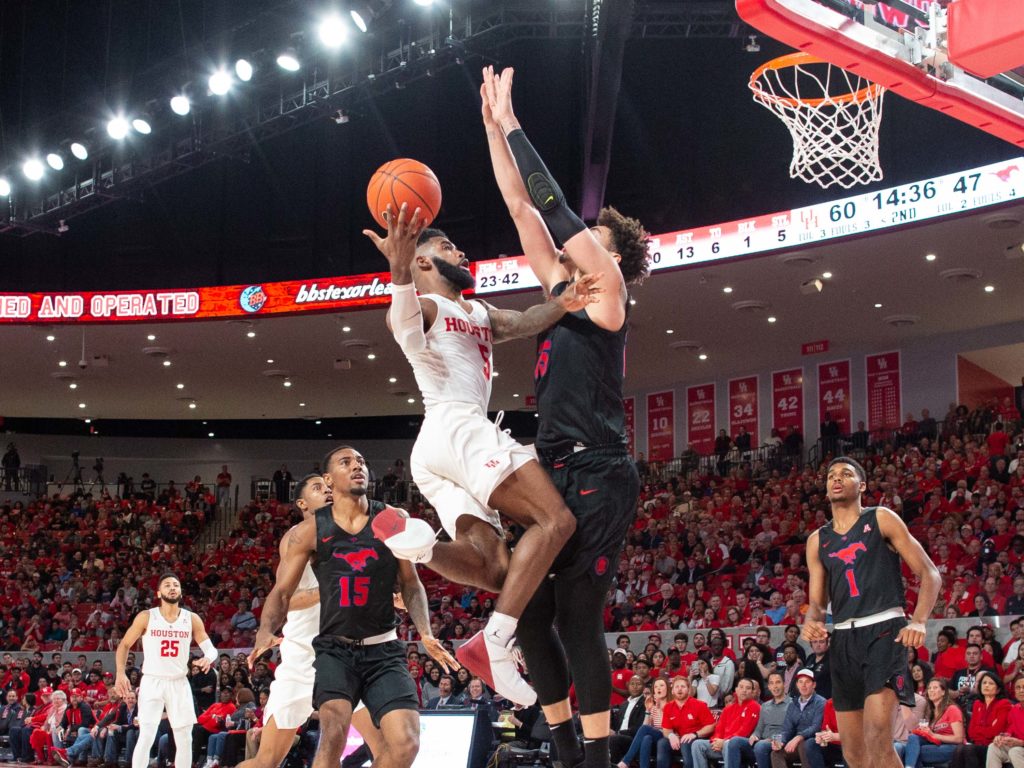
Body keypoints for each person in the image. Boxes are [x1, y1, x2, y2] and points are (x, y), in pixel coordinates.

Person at [363, 186, 600, 705]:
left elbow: (525, 321)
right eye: (450, 249)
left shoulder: (477, 312)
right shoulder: (422, 304)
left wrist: (565, 300)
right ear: (424, 260)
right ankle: (494, 641)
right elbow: (399, 325)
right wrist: (398, 273)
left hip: (434, 451)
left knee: (494, 569)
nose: (462, 254)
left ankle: (418, 544)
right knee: (556, 521)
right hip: (458, 425)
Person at [480, 64, 649, 768]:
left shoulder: (609, 294)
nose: (579, 246)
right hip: (555, 468)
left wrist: (518, 127)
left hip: (601, 469)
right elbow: (524, 212)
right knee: (535, 616)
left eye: (593, 241)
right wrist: (492, 130)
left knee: (578, 615)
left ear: (611, 258)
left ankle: (598, 759)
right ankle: (563, 747)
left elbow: (553, 213)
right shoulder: (568, 292)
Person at [250, 445, 458, 768]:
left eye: (361, 461)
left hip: (383, 650)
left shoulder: (391, 518)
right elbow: (281, 593)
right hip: (334, 651)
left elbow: (411, 582)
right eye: (346, 462)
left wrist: (426, 633)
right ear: (329, 480)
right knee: (331, 739)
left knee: (405, 744)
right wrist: (265, 630)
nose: (357, 466)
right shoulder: (308, 532)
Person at [238, 473, 387, 768]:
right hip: (302, 657)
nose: (328, 491)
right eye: (319, 488)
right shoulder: (296, 538)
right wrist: (331, 587)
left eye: (329, 486)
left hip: (346, 656)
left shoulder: (353, 534)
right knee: (266, 760)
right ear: (302, 503)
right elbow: (286, 599)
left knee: (386, 748)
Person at [803, 457, 941, 768]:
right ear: (826, 488)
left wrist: (918, 621)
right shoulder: (817, 540)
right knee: (853, 752)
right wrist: (811, 623)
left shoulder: (882, 518)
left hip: (884, 632)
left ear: (861, 485)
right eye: (831, 475)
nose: (837, 479)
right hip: (843, 641)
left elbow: (930, 574)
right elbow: (816, 605)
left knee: (878, 738)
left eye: (846, 474)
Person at [113, 574, 219, 768]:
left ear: (181, 591)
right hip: (152, 680)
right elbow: (124, 645)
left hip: (179, 682)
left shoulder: (191, 618)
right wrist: (120, 673)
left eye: (176, 585)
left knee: (184, 737)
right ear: (158, 592)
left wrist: (208, 658)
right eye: (168, 585)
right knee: (146, 735)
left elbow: (211, 649)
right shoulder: (147, 616)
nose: (172, 588)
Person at [690, 678, 762, 768]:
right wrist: (716, 741)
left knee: (730, 743)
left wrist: (723, 742)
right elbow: (719, 728)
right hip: (722, 744)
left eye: (748, 688)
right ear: (736, 689)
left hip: (742, 745)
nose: (744, 690)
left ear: (751, 691)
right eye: (741, 687)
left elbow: (745, 731)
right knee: (697, 745)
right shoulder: (728, 708)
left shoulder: (755, 707)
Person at [951, 671, 1010, 768]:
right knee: (960, 749)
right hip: (977, 744)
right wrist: (986, 729)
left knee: (968, 750)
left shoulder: (1004, 704)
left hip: (993, 747)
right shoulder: (977, 704)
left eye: (991, 683)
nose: (986, 686)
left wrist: (979, 729)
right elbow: (971, 732)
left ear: (998, 689)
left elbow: (995, 732)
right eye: (984, 683)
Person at [770, 670, 826, 768]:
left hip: (814, 742)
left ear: (814, 685)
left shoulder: (821, 702)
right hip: (796, 743)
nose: (803, 685)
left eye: (807, 682)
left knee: (804, 745)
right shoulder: (793, 704)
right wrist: (780, 741)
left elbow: (816, 727)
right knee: (776, 753)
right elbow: (786, 729)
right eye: (800, 682)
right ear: (797, 685)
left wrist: (799, 737)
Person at [657, 676, 715, 768]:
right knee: (662, 742)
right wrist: (671, 736)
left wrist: (695, 734)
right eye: (677, 687)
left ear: (688, 690)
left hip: (697, 739)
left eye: (683, 687)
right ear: (672, 691)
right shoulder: (668, 707)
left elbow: (711, 726)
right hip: (680, 739)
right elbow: (666, 730)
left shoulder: (699, 705)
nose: (680, 689)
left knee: (686, 742)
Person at [615, 677, 669, 768]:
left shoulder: (671, 704)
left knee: (646, 731)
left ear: (667, 688)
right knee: (646, 738)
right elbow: (645, 726)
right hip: (656, 735)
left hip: (668, 734)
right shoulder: (653, 706)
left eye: (661, 685)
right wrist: (648, 709)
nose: (658, 688)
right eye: (656, 687)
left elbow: (666, 726)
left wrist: (660, 708)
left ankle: (626, 760)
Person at [986, 675, 1024, 768]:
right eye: (1018, 688)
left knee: (1015, 751)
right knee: (993, 747)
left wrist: (1022, 743)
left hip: (1019, 748)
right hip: (1018, 747)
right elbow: (1010, 731)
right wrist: (1002, 737)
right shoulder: (1014, 709)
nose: (1021, 691)